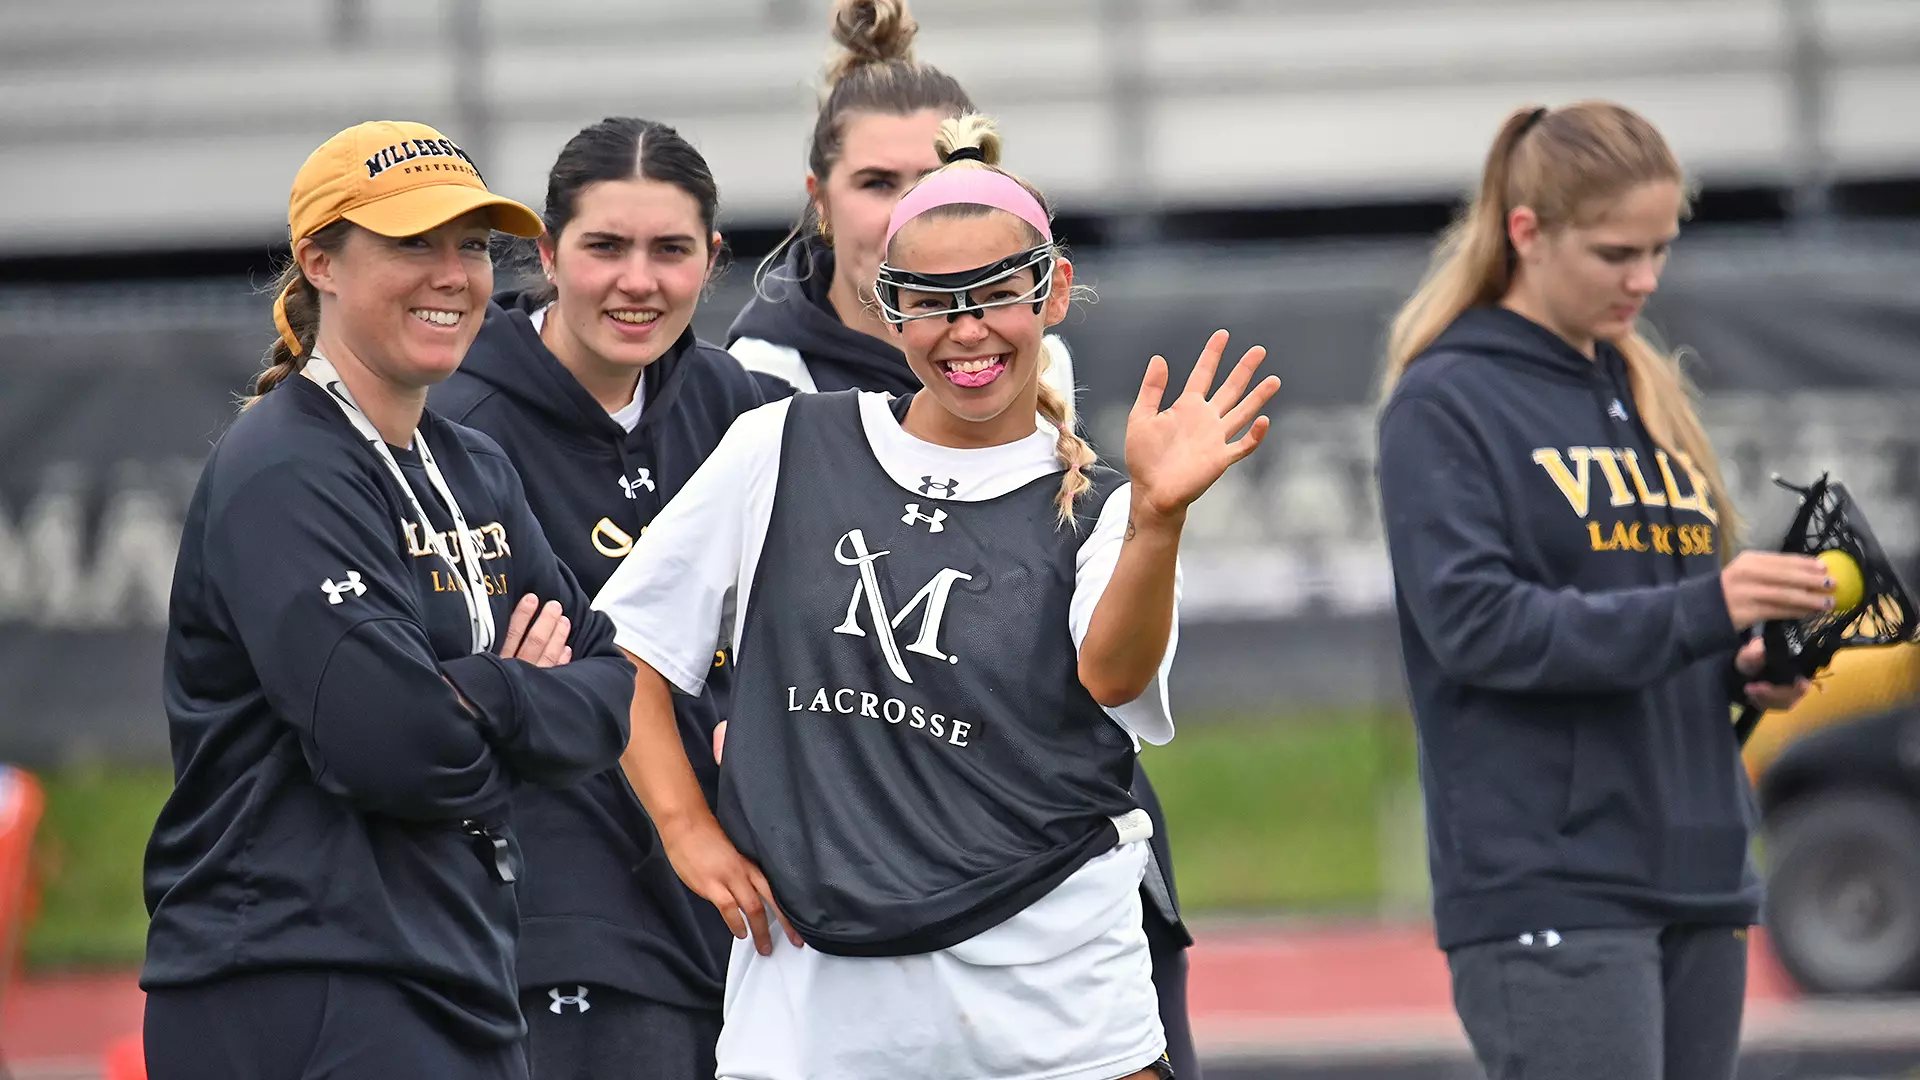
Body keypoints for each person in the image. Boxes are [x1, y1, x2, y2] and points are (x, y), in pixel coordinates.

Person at [595, 113, 1277, 1080]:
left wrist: (1160, 519)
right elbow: (628, 649)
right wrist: (685, 830)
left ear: (1055, 293)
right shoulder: (782, 444)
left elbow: (1114, 681)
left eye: (998, 295)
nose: (968, 332)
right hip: (815, 1012)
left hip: (1055, 1011)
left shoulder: (1104, 507)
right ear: (888, 305)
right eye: (933, 300)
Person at [728, 5, 1201, 1073]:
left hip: (1042, 875)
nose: (913, 207)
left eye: (935, 173)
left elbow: (1106, 669)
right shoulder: (764, 403)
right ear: (819, 201)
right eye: (875, 184)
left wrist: (1158, 521)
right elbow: (676, 647)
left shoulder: (1028, 374)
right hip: (848, 895)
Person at [139, 120, 636, 1080]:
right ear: (320, 261)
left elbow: (608, 696)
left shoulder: (474, 464)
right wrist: (513, 691)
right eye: (414, 243)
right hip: (299, 974)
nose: (453, 274)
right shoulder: (285, 469)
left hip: (455, 966)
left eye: (472, 246)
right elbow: (398, 750)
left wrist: (468, 692)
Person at [1374, 101, 1838, 1080]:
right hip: (1552, 882)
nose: (1645, 279)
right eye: (1617, 251)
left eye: (1661, 249)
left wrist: (1737, 666)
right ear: (1527, 233)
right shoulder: (1444, 401)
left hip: (1697, 868)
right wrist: (1708, 608)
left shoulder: (1643, 390)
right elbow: (1479, 627)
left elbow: (1643, 624)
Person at [431, 116, 765, 1080]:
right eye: (605, 247)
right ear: (546, 253)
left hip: (735, 896)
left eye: (671, 250)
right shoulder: (457, 423)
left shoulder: (737, 409)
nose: (638, 281)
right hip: (558, 905)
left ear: (711, 257)